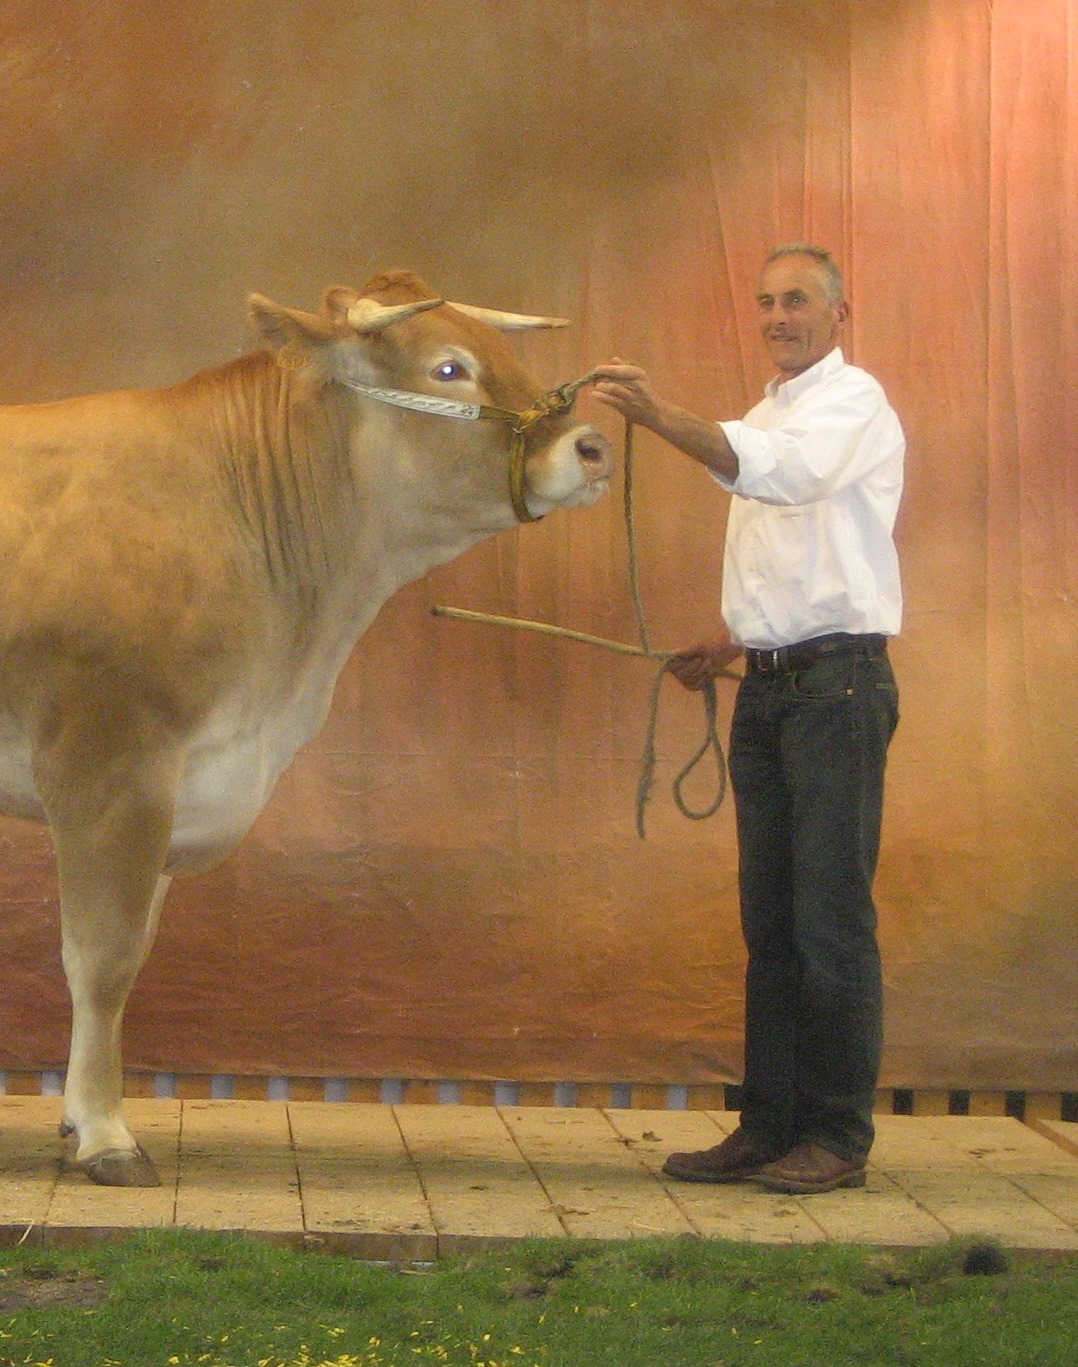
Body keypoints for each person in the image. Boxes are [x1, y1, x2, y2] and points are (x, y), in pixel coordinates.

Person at [591, 244, 904, 1195]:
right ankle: (769, 1124)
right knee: (771, 925)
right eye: (766, 301)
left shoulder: (855, 404)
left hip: (838, 692)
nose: (778, 315)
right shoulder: (772, 409)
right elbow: (798, 549)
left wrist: (656, 415)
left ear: (839, 315)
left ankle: (838, 1137)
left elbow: (778, 477)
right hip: (773, 691)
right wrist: (730, 642)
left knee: (828, 923)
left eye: (798, 300)